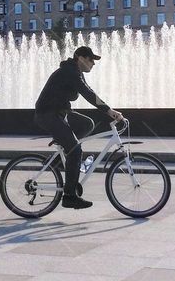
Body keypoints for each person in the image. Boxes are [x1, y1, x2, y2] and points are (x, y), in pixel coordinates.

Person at [34, 46, 124, 209]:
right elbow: (88, 93)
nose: (93, 64)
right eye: (91, 60)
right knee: (76, 150)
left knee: (87, 124)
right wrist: (109, 110)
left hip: (60, 113)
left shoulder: (75, 72)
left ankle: (63, 154)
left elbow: (88, 90)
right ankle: (69, 196)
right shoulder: (70, 71)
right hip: (48, 114)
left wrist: (107, 109)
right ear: (80, 58)